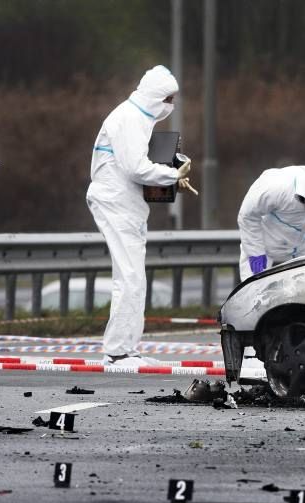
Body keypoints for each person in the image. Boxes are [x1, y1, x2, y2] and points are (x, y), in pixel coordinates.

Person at [86, 65, 195, 367]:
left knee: (133, 277)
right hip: (115, 202)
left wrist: (172, 178)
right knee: (130, 277)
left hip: (127, 205)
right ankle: (118, 351)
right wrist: (172, 174)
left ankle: (127, 349)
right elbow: (136, 167)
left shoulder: (137, 118)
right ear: (156, 97)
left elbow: (138, 167)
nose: (171, 106)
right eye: (169, 99)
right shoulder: (129, 118)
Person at [237, 166, 305, 280]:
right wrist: (255, 252)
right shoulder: (274, 187)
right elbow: (247, 216)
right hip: (267, 239)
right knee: (254, 289)